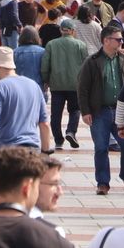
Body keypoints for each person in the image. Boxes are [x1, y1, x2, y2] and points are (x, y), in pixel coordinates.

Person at [79, 26, 124, 195]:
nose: (121, 42)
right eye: (118, 39)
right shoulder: (92, 61)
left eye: (121, 39)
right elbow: (82, 88)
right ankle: (103, 183)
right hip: (100, 111)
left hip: (122, 111)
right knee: (101, 147)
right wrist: (85, 111)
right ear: (106, 40)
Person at [0, 45, 51, 151]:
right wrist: (45, 153)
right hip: (33, 151)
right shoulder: (34, 85)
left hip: (8, 152)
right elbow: (44, 123)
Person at [41, 18, 88, 150]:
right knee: (75, 110)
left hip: (57, 84)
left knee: (56, 113)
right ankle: (71, 131)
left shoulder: (51, 44)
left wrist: (46, 80)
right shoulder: (80, 45)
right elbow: (86, 65)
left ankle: (58, 140)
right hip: (75, 84)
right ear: (73, 31)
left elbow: (45, 65)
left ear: (61, 30)